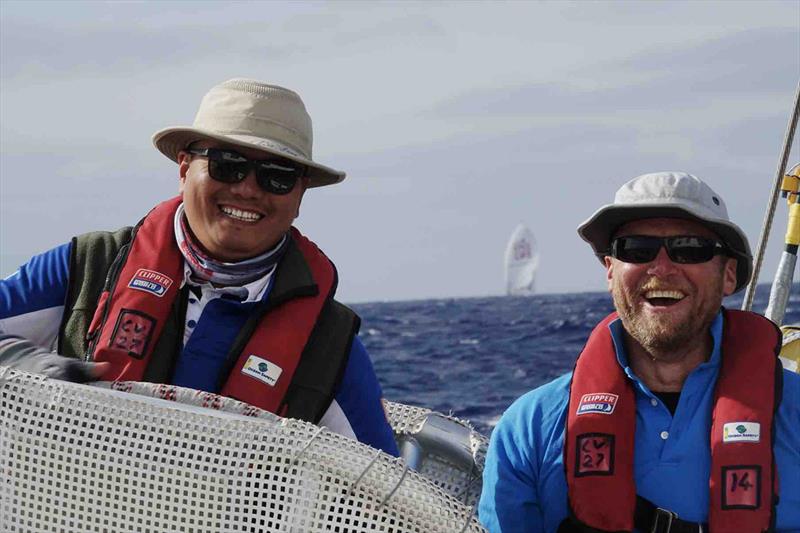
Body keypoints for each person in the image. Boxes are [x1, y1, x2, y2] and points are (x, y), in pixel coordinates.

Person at [0, 78, 399, 456]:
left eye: (277, 177)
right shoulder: (86, 266)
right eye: (228, 165)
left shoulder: (330, 344)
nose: (247, 188)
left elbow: (384, 489)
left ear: (299, 198)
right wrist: (28, 364)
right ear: (184, 168)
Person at [479, 172, 800, 532]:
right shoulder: (530, 430)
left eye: (691, 248)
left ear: (728, 275)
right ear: (611, 271)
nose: (662, 268)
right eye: (636, 249)